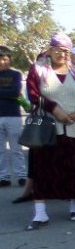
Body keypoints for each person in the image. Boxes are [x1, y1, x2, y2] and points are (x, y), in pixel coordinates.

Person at [24, 33, 75, 230]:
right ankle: (40, 213)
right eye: (58, 50)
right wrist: (55, 109)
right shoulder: (39, 69)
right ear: (50, 50)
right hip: (48, 128)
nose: (62, 54)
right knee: (43, 169)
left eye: (66, 51)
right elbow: (33, 95)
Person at [0, 45, 27, 188]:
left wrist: (9, 93)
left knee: (16, 148)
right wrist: (8, 92)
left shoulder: (16, 75)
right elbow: (10, 92)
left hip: (13, 116)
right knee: (0, 150)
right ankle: (4, 177)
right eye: (0, 59)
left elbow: (15, 91)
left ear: (10, 59)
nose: (2, 62)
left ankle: (21, 175)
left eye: (5, 59)